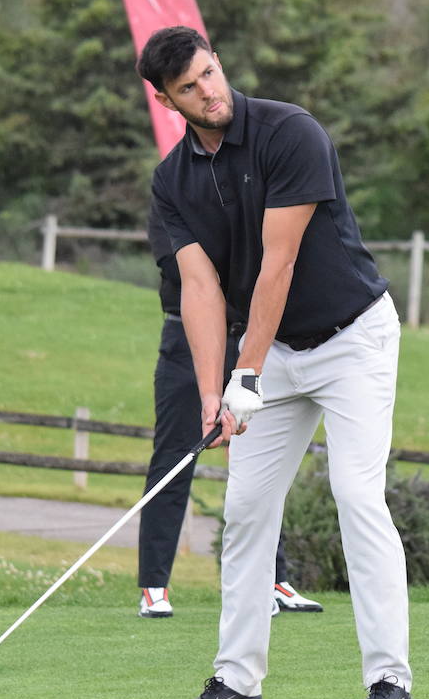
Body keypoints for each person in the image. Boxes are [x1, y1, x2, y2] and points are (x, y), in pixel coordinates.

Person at [136, 26, 416, 699]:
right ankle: (236, 686)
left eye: (211, 73)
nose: (209, 91)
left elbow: (277, 264)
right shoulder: (172, 183)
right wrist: (212, 393)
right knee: (248, 509)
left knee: (357, 494)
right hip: (274, 355)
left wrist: (247, 374)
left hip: (352, 337)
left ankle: (390, 685)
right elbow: (200, 290)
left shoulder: (290, 132)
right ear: (168, 101)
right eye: (190, 88)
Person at [136, 210, 322, 620]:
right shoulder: (173, 191)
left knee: (258, 460)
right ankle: (154, 587)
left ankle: (274, 579)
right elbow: (177, 266)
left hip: (246, 336)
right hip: (187, 338)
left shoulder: (239, 188)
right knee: (173, 456)